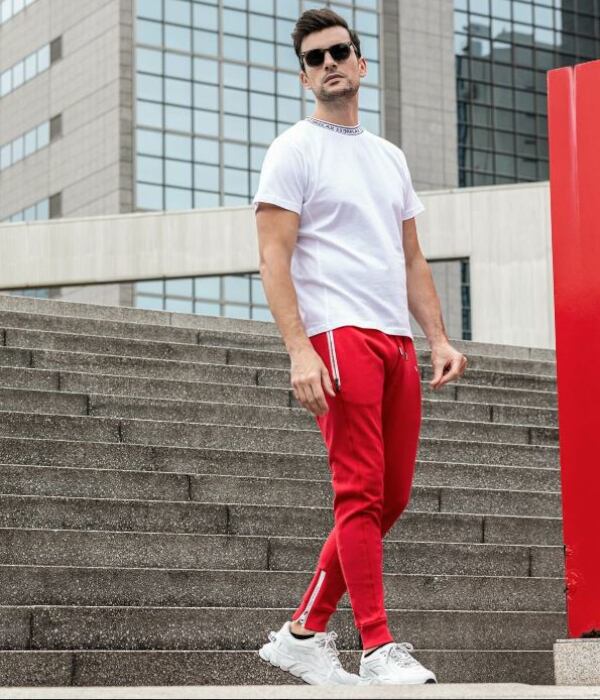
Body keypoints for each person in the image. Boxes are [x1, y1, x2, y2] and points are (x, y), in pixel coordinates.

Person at [252, 6, 467, 687]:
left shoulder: (388, 156)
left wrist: (436, 337)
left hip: (395, 339)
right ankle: (378, 646)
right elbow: (273, 257)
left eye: (338, 51)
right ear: (304, 77)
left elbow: (411, 258)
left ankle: (302, 632)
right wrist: (299, 350)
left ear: (360, 62)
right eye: (314, 58)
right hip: (338, 334)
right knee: (359, 492)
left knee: (391, 495)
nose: (329, 64)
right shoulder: (293, 150)